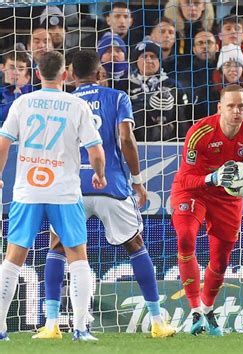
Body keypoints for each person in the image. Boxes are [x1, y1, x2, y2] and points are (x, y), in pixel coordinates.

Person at [33, 50, 176, 340]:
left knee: (58, 246)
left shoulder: (64, 101)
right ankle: (158, 321)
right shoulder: (117, 97)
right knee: (136, 245)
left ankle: (50, 324)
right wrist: (137, 181)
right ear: (100, 74)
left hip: (71, 186)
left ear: (70, 76)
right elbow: (126, 139)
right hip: (110, 184)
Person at [0, 51, 106, 341]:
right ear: (65, 75)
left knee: (12, 259)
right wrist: (100, 174)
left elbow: (3, 143)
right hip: (64, 191)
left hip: (28, 190)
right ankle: (81, 328)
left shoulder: (22, 103)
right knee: (78, 258)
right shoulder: (77, 105)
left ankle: (0, 328)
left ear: (36, 74)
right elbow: (96, 151)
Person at [171, 84, 243, 336]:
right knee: (185, 238)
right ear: (220, 108)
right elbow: (186, 179)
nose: (237, 112)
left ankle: (207, 310)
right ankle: (194, 310)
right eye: (231, 106)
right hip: (195, 190)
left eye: (241, 106)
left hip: (228, 199)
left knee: (221, 259)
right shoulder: (199, 132)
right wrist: (212, 177)